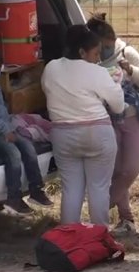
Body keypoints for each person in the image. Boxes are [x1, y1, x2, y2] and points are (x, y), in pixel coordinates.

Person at [42, 25, 125, 225]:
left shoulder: (51, 68)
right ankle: (100, 237)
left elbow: (47, 91)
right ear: (81, 52)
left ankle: (69, 237)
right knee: (98, 188)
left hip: (63, 135)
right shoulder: (97, 73)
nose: (98, 58)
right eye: (95, 53)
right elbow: (118, 105)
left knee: (71, 189)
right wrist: (116, 84)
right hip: (97, 133)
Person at [87, 13, 139, 234]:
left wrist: (130, 70)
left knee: (131, 169)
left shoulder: (126, 52)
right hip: (108, 119)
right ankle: (127, 219)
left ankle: (102, 206)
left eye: (107, 46)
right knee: (115, 169)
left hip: (134, 117)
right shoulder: (89, 60)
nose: (105, 51)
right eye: (101, 48)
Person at [0, 48, 52, 214]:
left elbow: (2, 110)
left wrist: (11, 126)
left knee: (29, 148)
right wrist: (6, 131)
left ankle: (36, 190)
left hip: (6, 127)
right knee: (14, 154)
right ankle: (14, 198)